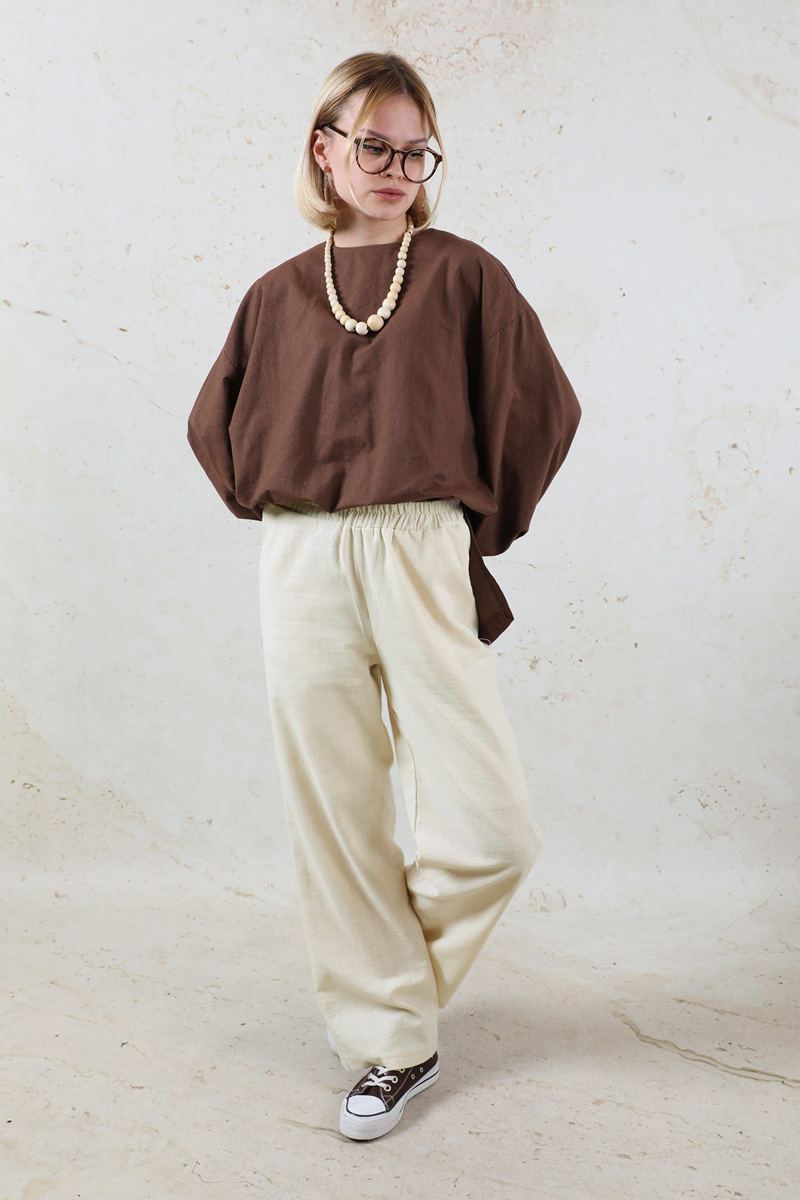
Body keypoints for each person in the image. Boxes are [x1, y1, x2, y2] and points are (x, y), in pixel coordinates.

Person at [187, 50, 581, 1141]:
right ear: (326, 148)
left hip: (419, 547)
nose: (396, 170)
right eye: (374, 146)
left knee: (492, 831)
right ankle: (391, 1040)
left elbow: (540, 410)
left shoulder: (461, 274)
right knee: (335, 809)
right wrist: (290, 518)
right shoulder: (275, 294)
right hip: (301, 556)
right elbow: (216, 427)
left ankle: (381, 993)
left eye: (416, 153)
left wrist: (461, 533)